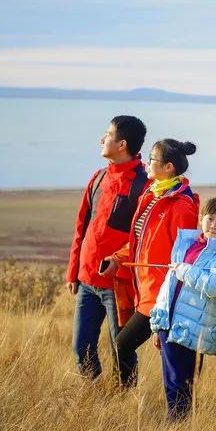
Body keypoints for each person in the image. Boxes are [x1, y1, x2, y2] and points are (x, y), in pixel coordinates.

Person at [102, 138, 200, 387]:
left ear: (168, 167)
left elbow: (183, 256)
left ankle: (122, 395)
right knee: (128, 344)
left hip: (161, 295)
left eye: (153, 159)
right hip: (143, 289)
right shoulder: (152, 194)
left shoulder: (181, 205)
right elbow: (139, 243)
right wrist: (118, 258)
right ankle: (124, 397)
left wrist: (168, 304)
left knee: (126, 343)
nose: (147, 162)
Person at [65, 115, 149, 380]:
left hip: (119, 284)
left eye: (107, 134)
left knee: (121, 348)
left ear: (122, 144)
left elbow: (142, 239)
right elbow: (82, 226)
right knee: (81, 348)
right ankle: (93, 398)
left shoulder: (143, 185)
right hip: (87, 281)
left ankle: (123, 401)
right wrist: (73, 271)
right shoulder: (98, 177)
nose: (102, 139)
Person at [149, 197, 216, 421]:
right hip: (170, 322)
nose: (214, 226)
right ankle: (178, 427)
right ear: (201, 219)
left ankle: (177, 427)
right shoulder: (187, 244)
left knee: (182, 381)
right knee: (173, 380)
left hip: (192, 329)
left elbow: (215, 286)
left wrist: (185, 270)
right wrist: (157, 323)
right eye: (210, 219)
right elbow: (168, 286)